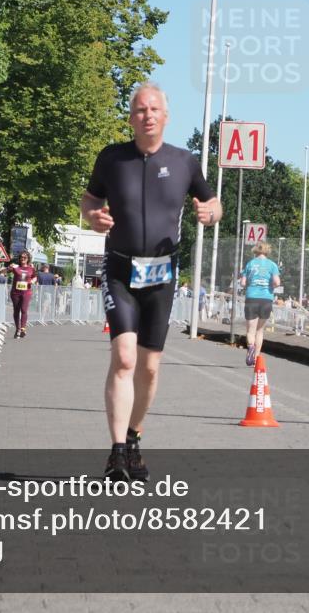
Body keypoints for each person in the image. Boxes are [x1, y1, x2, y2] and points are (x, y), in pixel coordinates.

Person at [81, 82, 222, 482]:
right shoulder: (112, 158)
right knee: (124, 358)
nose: (147, 115)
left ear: (166, 116)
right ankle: (117, 453)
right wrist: (92, 216)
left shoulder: (184, 162)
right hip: (120, 270)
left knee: (150, 368)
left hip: (162, 275)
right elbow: (90, 199)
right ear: (131, 118)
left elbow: (214, 203)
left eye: (154, 109)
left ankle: (133, 436)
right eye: (140, 110)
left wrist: (210, 214)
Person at [240, 241, 281, 365]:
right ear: (267, 251)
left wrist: (250, 284)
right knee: (260, 330)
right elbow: (277, 282)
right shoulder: (272, 265)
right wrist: (270, 286)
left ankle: (250, 347)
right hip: (266, 299)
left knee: (250, 330)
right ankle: (256, 358)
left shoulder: (250, 264)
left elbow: (242, 283)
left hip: (251, 298)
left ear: (255, 251)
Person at [7, 251, 38, 338]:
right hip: (15, 292)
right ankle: (18, 329)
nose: (22, 259)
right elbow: (4, 271)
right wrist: (9, 267)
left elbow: (35, 277)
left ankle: (23, 329)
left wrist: (32, 281)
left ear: (28, 259)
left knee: (24, 310)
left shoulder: (31, 268)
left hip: (26, 292)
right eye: (21, 257)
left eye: (25, 257)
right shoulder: (16, 267)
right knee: (16, 311)